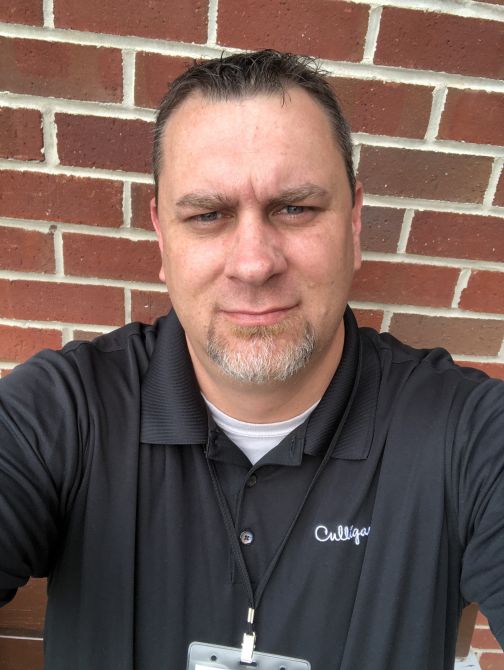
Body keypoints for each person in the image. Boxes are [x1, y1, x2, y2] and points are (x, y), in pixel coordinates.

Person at [0, 49, 503, 670]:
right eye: (207, 215)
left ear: (354, 224)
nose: (254, 264)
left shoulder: (468, 433)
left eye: (295, 208)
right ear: (162, 237)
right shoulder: (60, 414)